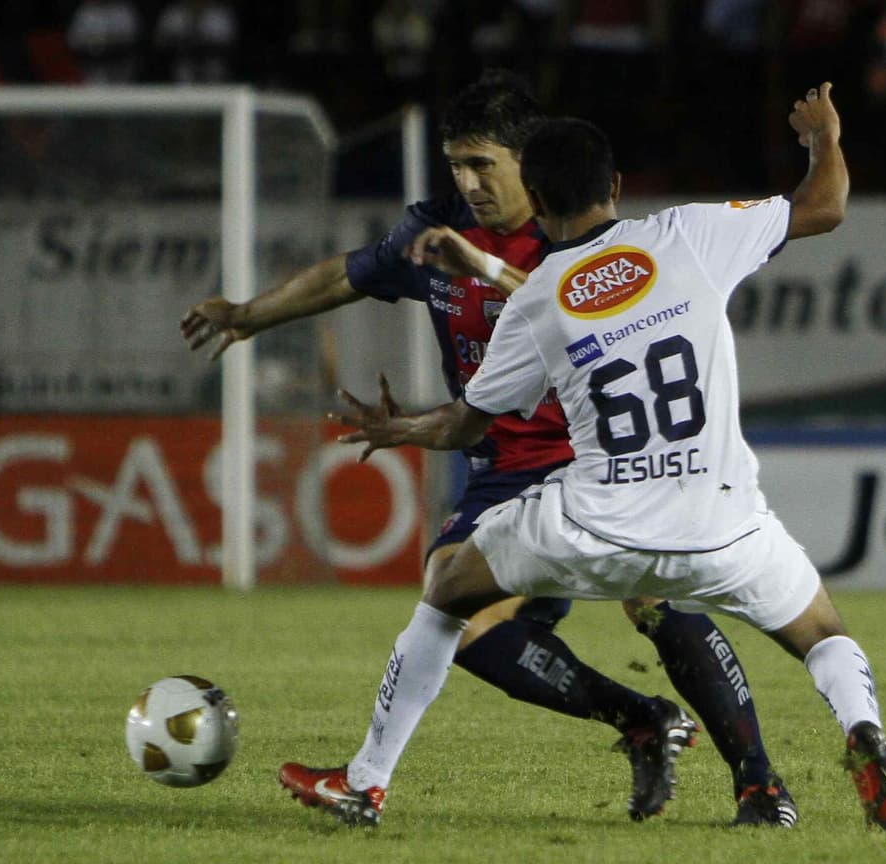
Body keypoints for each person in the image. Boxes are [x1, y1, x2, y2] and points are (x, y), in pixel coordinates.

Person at [181, 71, 795, 826]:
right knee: (468, 620)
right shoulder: (435, 227)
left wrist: (483, 270)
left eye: (483, 166)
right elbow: (347, 275)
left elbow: (562, 295)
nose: (467, 183)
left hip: (597, 457)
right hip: (502, 468)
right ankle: (639, 719)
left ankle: (759, 784)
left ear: (529, 161)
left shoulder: (573, 228)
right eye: (457, 166)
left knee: (649, 596)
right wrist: (248, 314)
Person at [308, 84, 886, 831]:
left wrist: (402, 429)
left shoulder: (537, 300)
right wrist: (823, 137)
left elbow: (468, 427)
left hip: (593, 528)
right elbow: (824, 205)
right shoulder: (691, 234)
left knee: (446, 586)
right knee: (823, 633)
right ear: (618, 187)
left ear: (535, 194)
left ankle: (366, 782)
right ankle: (858, 733)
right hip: (724, 530)